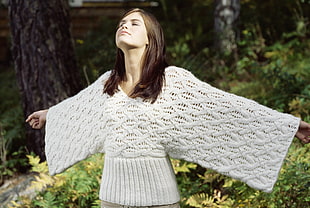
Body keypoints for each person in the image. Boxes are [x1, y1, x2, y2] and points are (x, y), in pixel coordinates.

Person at [26, 8, 310, 208]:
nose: (124, 25)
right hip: (111, 199)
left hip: (159, 200)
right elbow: (77, 110)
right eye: (122, 23)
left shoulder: (171, 81)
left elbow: (227, 108)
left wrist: (289, 126)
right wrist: (49, 115)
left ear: (151, 37)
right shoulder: (107, 84)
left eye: (135, 23)